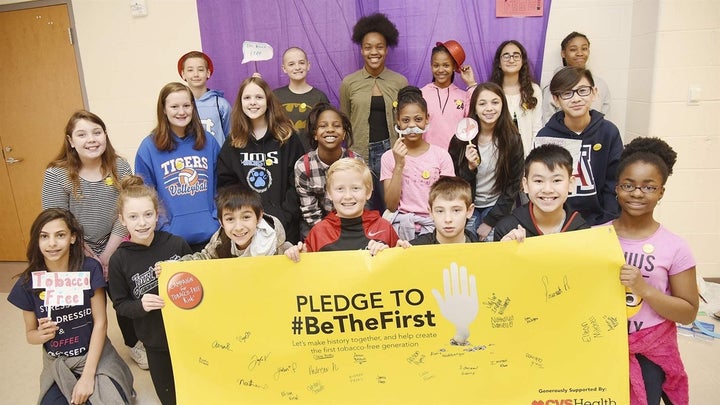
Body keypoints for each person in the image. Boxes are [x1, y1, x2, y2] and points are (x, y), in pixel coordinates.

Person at [41, 110, 146, 370]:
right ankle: (79, 350)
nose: (91, 139)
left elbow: (128, 211)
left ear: (105, 135)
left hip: (116, 244)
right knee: (81, 308)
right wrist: (87, 255)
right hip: (74, 249)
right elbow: (57, 222)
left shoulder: (119, 166)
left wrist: (110, 253)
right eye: (82, 134)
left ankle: (135, 343)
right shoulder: (56, 174)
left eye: (97, 132)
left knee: (125, 297)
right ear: (70, 141)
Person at [7, 208, 134, 405]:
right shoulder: (28, 283)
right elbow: (30, 335)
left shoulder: (89, 268)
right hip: (58, 361)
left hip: (95, 355)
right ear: (36, 240)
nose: (52, 243)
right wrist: (40, 335)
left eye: (60, 235)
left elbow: (100, 322)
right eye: (44, 236)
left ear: (73, 237)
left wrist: (87, 378)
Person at [611, 137, 698, 405]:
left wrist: (645, 289)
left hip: (649, 351)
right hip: (601, 346)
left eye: (648, 187)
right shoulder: (594, 236)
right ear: (617, 189)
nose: (637, 193)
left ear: (661, 192)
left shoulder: (675, 247)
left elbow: (688, 312)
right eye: (628, 185)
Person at [109, 175, 193, 405]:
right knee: (170, 398)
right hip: (155, 343)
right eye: (133, 217)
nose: (142, 223)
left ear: (157, 214)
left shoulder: (176, 244)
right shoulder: (119, 260)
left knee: (197, 389)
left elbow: (200, 283)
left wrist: (183, 271)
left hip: (189, 336)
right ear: (122, 220)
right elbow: (120, 304)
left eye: (148, 214)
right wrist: (140, 306)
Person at [217, 77, 305, 244]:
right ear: (240, 102)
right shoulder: (233, 142)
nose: (253, 103)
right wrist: (243, 218)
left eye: (259, 97)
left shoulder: (287, 137)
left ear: (268, 101)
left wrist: (284, 215)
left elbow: (298, 181)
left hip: (284, 227)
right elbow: (226, 187)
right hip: (247, 231)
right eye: (247, 98)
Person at [135, 82, 220, 252]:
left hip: (211, 237)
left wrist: (216, 217)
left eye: (186, 105)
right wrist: (164, 226)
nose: (182, 112)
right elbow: (145, 195)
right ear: (164, 109)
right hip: (170, 240)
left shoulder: (208, 141)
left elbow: (221, 186)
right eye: (174, 106)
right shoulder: (148, 147)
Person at [536, 66, 622, 226]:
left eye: (582, 91)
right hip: (559, 223)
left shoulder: (609, 132)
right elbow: (543, 184)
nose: (575, 99)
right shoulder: (546, 136)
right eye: (567, 93)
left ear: (594, 93)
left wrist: (609, 218)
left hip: (602, 221)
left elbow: (614, 180)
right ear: (556, 99)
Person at [340, 12, 409, 211]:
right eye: (368, 47)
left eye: (379, 47)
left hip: (392, 151)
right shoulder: (349, 83)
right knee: (361, 208)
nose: (374, 52)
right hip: (359, 152)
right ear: (361, 50)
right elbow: (345, 121)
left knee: (394, 206)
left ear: (387, 49)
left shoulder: (399, 82)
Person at [448, 82, 524, 242]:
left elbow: (513, 184)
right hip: (467, 205)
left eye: (495, 102)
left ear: (503, 105)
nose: (489, 108)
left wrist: (490, 222)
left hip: (497, 205)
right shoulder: (460, 139)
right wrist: (469, 168)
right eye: (482, 103)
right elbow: (452, 183)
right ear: (474, 108)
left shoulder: (512, 139)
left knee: (493, 249)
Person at [285, 158, 399, 261]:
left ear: (368, 192)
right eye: (340, 189)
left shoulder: (384, 227)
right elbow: (307, 272)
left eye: (355, 188)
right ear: (329, 193)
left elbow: (399, 267)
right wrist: (296, 255)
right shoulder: (319, 232)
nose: (348, 196)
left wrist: (392, 253)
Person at [381, 86, 455, 240]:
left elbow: (448, 199)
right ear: (398, 121)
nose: (412, 126)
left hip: (435, 227)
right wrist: (399, 165)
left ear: (427, 118)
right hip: (402, 229)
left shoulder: (441, 156)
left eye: (418, 119)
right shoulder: (389, 157)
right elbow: (391, 205)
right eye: (406, 120)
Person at [294, 102, 362, 237]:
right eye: (323, 126)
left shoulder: (356, 162)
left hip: (351, 221)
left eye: (336, 126)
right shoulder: (303, 166)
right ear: (315, 134)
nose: (330, 129)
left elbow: (362, 203)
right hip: (317, 223)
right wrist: (327, 235)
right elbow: (310, 210)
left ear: (344, 134)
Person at [494, 144, 588, 241]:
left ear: (571, 183)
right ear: (525, 185)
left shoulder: (582, 231)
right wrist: (504, 250)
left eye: (556, 180)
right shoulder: (507, 228)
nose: (547, 190)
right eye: (538, 181)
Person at [181, 185, 293, 259]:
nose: (238, 227)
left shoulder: (276, 244)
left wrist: (296, 254)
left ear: (259, 216)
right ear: (221, 222)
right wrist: (168, 267)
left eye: (246, 217)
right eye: (230, 219)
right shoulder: (218, 243)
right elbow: (200, 259)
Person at [542, 31, 611, 124]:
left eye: (584, 48)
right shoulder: (553, 85)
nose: (580, 53)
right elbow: (547, 120)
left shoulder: (600, 85)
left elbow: (605, 119)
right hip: (563, 137)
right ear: (563, 53)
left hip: (595, 137)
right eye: (573, 49)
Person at [420, 40, 476, 150]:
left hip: (456, 156)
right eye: (436, 65)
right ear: (431, 66)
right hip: (427, 156)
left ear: (454, 67)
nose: (441, 70)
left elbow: (474, 118)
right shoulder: (421, 94)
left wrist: (471, 83)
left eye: (446, 65)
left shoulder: (464, 96)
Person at [489, 40, 542, 156]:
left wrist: (533, 156)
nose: (511, 60)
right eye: (506, 56)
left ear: (523, 61)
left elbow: (537, 127)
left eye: (516, 56)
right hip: (498, 156)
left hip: (527, 155)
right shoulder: (491, 91)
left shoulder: (534, 90)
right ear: (499, 62)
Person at [273, 47, 330, 152]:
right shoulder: (275, 96)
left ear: (308, 65)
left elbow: (327, 129)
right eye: (291, 64)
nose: (297, 67)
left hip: (311, 156)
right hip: (282, 154)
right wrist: (257, 86)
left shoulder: (319, 97)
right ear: (284, 68)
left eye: (301, 63)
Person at [396, 176, 478, 246]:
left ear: (469, 211)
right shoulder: (416, 248)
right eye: (440, 211)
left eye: (456, 210)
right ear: (430, 212)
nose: (448, 219)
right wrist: (394, 257)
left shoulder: (482, 251)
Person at [177, 50, 231, 147]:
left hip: (218, 160)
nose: (196, 74)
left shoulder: (221, 104)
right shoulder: (178, 106)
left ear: (208, 73)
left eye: (201, 69)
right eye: (190, 70)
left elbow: (231, 137)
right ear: (183, 74)